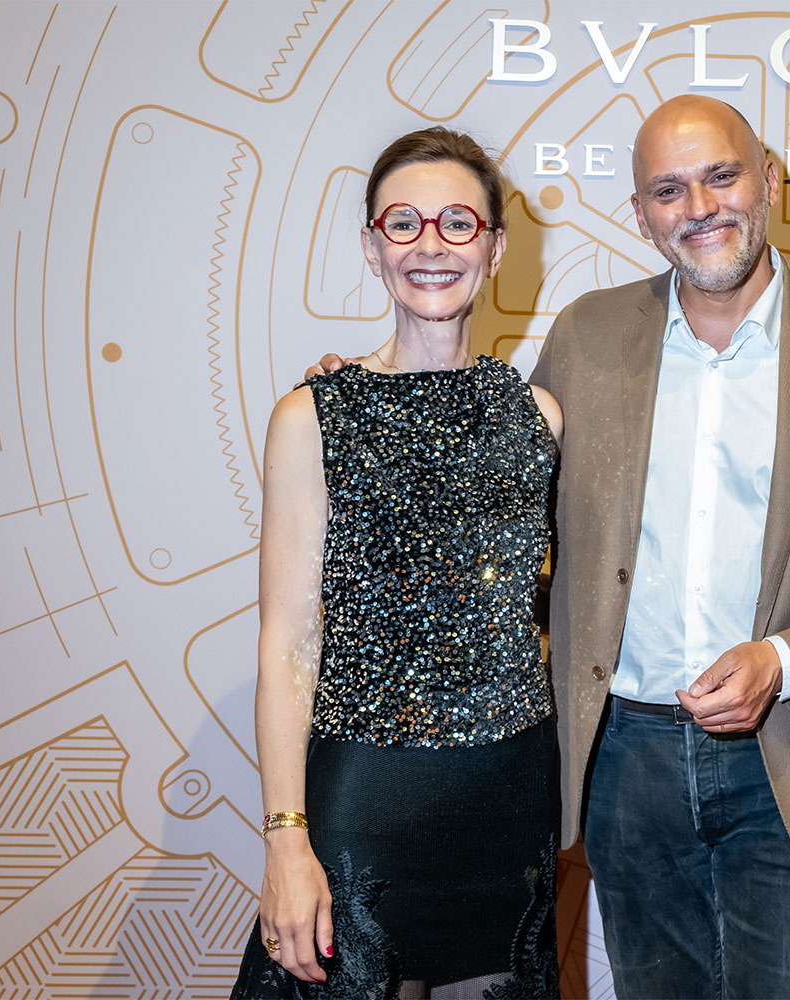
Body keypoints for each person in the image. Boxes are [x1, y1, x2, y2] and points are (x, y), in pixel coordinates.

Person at [315, 96, 790, 998]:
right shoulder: (586, 338)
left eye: (721, 176)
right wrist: (377, 405)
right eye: (668, 190)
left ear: (769, 182)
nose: (698, 207)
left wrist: (782, 661)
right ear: (640, 214)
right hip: (624, 764)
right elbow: (493, 499)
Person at [234, 127, 563, 1000]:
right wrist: (286, 838)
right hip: (365, 801)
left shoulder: (540, 417)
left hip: (509, 798)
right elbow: (288, 643)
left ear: (495, 248)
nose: (431, 244)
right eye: (404, 223)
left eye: (458, 222)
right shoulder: (312, 416)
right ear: (373, 246)